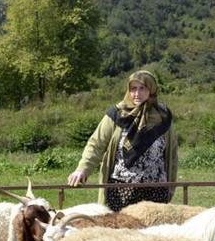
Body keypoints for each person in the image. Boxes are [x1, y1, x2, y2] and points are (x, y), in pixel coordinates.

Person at [67, 70, 178, 212]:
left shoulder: (163, 116)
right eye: (133, 89)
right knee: (120, 231)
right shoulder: (117, 113)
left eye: (142, 88)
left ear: (152, 89)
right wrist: (82, 170)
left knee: (153, 232)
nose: (137, 94)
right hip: (121, 189)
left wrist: (171, 186)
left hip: (156, 190)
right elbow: (96, 144)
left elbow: (172, 155)